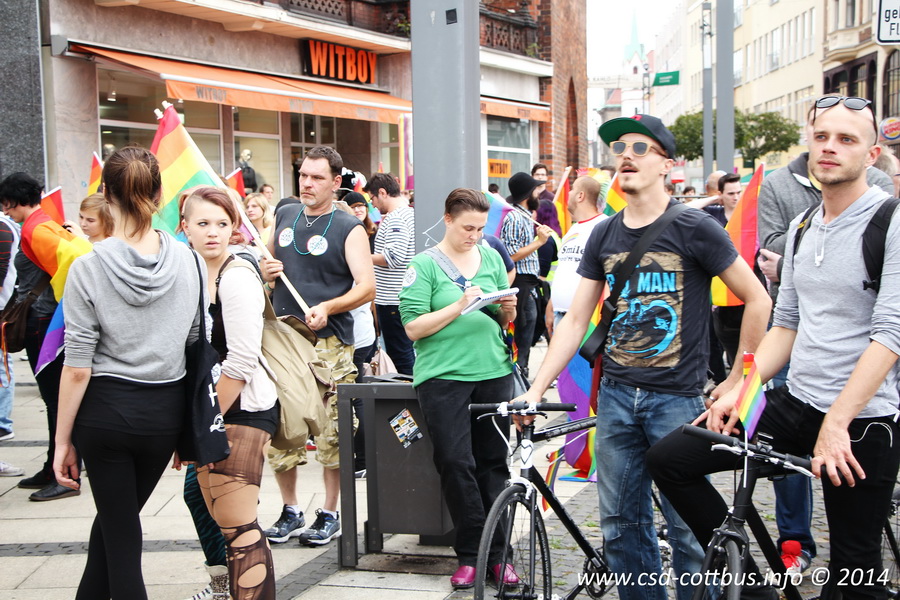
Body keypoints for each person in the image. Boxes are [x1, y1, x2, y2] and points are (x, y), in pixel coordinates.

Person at [648, 96, 900, 600]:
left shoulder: (890, 221)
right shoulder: (804, 225)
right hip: (796, 402)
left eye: (846, 139)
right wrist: (740, 392)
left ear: (871, 155)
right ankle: (754, 588)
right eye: (822, 136)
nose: (830, 148)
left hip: (862, 419)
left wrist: (836, 425)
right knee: (672, 459)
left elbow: (890, 333)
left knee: (855, 575)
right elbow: (786, 324)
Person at [516, 114, 772, 600]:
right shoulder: (604, 234)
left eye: (640, 147)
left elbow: (758, 298)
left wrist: (739, 378)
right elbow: (576, 319)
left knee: (689, 531)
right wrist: (536, 388)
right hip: (616, 398)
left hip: (677, 401)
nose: (626, 156)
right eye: (619, 149)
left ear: (666, 165)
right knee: (620, 526)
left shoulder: (695, 227)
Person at [52, 145, 202, 598]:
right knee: (115, 525)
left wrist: (61, 441)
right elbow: (195, 340)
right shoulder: (190, 260)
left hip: (105, 413)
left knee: (119, 536)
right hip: (163, 413)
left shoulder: (87, 267)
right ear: (158, 193)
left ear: (106, 194)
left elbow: (77, 367)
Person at [398, 188, 518, 589]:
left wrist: (507, 310)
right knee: (454, 462)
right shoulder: (424, 264)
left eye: (481, 229)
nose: (475, 236)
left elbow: (500, 319)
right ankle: (470, 553)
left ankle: (498, 556)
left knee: (493, 464)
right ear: (447, 220)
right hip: (443, 377)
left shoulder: (491, 257)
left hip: (493, 371)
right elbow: (413, 327)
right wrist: (458, 305)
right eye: (468, 227)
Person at [261, 146, 375, 546]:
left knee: (332, 430)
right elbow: (265, 264)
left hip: (329, 345)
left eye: (317, 178)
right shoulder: (285, 215)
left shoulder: (348, 227)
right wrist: (266, 270)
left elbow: (366, 287)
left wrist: (328, 307)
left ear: (335, 182)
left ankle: (329, 512)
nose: (307, 184)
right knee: (281, 426)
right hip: (282, 340)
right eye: (303, 176)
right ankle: (290, 509)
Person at [182, 186, 278, 600]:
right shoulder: (191, 273)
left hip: (242, 410)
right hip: (213, 410)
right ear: (185, 227)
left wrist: (201, 426)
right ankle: (225, 587)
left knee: (240, 529)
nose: (213, 232)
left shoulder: (236, 276)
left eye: (222, 224)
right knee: (221, 518)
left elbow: (241, 362)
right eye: (203, 223)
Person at [0, 172, 92, 502]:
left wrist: (67, 305)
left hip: (44, 322)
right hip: (46, 318)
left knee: (55, 400)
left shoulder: (36, 228)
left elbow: (77, 261)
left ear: (14, 201)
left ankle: (65, 474)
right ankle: (53, 466)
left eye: (6, 205)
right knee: (54, 399)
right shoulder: (43, 222)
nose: (5, 211)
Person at [501, 172, 554, 378]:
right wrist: (539, 242)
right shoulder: (515, 217)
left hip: (529, 283)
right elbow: (511, 255)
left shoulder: (524, 216)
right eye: (535, 190)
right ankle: (518, 375)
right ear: (527, 194)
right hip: (521, 282)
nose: (538, 195)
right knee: (521, 333)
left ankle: (521, 373)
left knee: (528, 332)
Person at [365, 172, 416, 376]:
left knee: (400, 356)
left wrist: (363, 256)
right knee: (405, 352)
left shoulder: (396, 218)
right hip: (400, 295)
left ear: (382, 193)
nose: (373, 205)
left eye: (372, 199)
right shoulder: (409, 214)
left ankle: (408, 393)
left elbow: (393, 257)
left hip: (392, 298)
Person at [545, 176, 606, 335]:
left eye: (572, 189)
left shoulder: (604, 226)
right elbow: (565, 269)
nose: (569, 193)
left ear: (580, 196)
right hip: (561, 314)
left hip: (587, 319)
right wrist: (552, 304)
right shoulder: (573, 229)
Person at [0, 206, 19, 442]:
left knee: (2, 364)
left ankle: (2, 423)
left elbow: (1, 270)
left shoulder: (2, 227)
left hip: (1, 308)